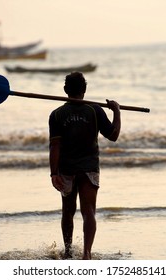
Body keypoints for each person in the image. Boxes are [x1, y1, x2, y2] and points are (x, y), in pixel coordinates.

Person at [49, 72, 121, 260]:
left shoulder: (56, 115)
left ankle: (67, 251)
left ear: (65, 90)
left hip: (66, 169)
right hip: (89, 168)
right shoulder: (95, 110)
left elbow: (54, 146)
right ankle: (86, 253)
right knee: (89, 211)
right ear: (85, 90)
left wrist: (53, 173)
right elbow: (113, 135)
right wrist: (117, 111)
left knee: (68, 211)